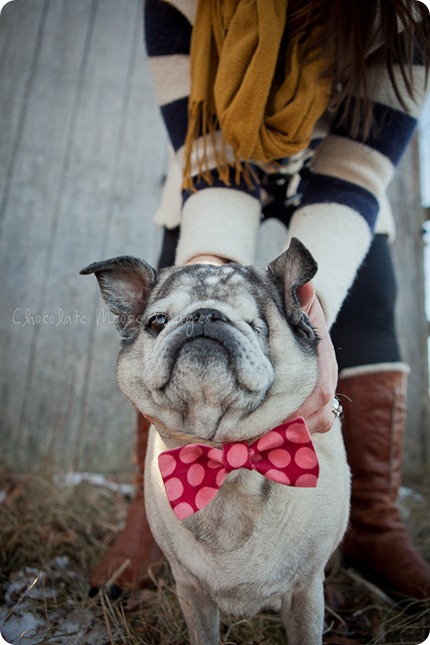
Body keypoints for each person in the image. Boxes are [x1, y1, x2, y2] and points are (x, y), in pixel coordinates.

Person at [89, 0, 430, 599]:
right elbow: (214, 163)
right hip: (218, 162)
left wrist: (308, 318)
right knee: (172, 312)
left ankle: (374, 524)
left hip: (339, 172)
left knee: (373, 311)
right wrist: (201, 283)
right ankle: (153, 517)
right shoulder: (179, 4)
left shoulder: (408, 15)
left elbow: (355, 171)